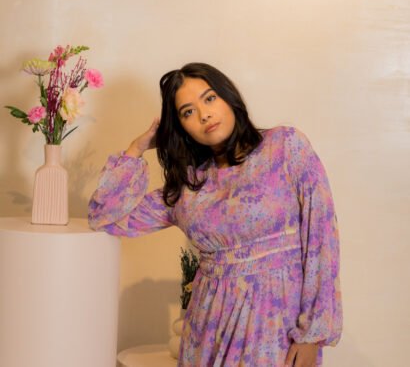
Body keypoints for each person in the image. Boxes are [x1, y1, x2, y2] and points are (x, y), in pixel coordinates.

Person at [88, 63, 342, 367]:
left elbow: (322, 240)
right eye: (188, 112)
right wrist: (136, 148)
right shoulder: (187, 189)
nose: (204, 115)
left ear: (228, 97)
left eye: (209, 99)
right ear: (181, 127)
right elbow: (103, 215)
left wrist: (312, 335)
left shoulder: (285, 147)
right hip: (206, 330)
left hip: (275, 329)